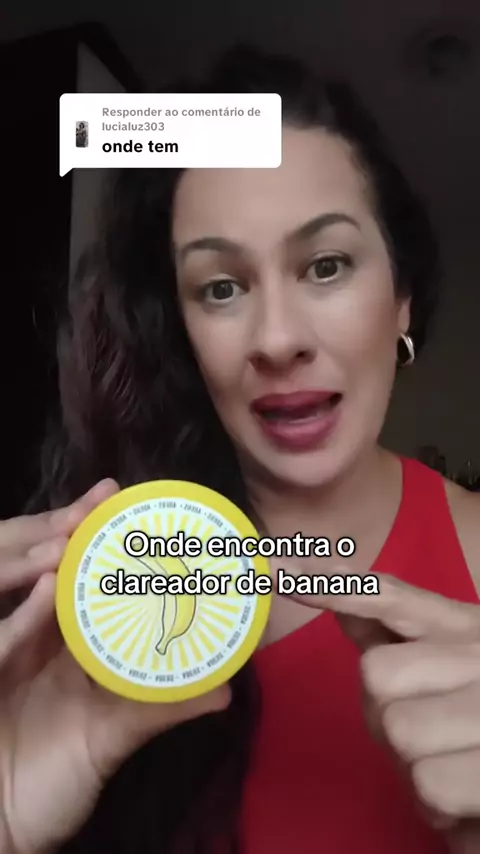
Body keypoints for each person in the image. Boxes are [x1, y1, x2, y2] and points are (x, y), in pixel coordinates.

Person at [1, 45, 479, 854]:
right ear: (181, 330)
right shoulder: (85, 606)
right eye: (220, 287)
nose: (277, 339)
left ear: (401, 298)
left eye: (325, 266)